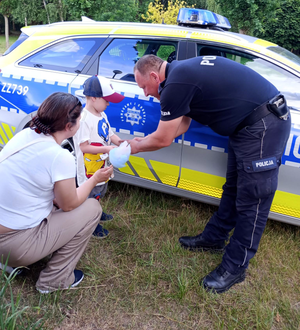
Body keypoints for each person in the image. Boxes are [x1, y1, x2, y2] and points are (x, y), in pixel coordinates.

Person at [130, 54, 291, 293]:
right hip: (247, 126)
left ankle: (235, 267)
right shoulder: (180, 74)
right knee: (233, 189)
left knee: (253, 201)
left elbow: (163, 138)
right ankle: (214, 238)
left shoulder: (176, 84)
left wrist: (135, 147)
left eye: (144, 86)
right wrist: (147, 141)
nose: (145, 93)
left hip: (263, 125)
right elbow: (181, 124)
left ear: (154, 76)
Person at [0, 92, 113, 293]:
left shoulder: (25, 135)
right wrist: (95, 179)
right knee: (92, 208)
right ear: (69, 127)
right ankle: (55, 279)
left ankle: (6, 264)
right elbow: (68, 204)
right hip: (14, 245)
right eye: (79, 118)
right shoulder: (59, 156)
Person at [73, 75, 124, 238]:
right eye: (107, 100)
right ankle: (90, 223)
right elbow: (84, 146)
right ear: (93, 98)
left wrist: (119, 141)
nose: (109, 104)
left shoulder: (102, 115)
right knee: (90, 194)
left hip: (101, 164)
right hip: (89, 168)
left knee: (100, 190)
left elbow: (109, 133)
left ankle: (96, 211)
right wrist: (108, 148)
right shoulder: (84, 119)